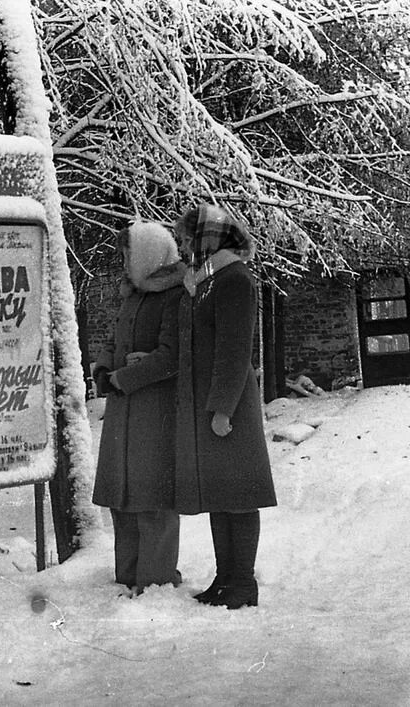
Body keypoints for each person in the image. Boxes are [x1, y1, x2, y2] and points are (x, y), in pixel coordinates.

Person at [172, 205, 276, 610]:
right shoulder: (208, 282)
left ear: (208, 240)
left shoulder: (234, 280)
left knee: (240, 496)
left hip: (229, 406)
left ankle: (243, 584)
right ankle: (225, 578)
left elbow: (234, 352)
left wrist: (222, 410)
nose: (183, 247)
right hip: (214, 404)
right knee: (221, 494)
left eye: (187, 239)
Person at [90, 221, 186, 594]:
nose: (125, 261)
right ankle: (127, 576)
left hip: (155, 413)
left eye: (130, 254)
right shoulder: (133, 295)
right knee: (122, 497)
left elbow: (170, 355)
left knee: (153, 500)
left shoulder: (175, 296)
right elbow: (114, 340)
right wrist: (103, 368)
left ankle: (157, 581)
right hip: (123, 413)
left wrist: (124, 378)